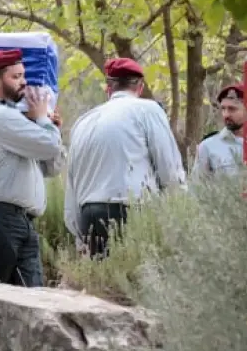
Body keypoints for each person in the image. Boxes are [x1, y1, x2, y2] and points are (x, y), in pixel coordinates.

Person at [63, 57, 187, 260]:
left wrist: (79, 234)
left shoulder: (83, 121)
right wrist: (180, 211)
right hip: (131, 212)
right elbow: (169, 168)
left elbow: (72, 183)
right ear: (140, 86)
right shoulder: (148, 110)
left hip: (89, 214)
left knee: (100, 285)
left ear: (108, 88)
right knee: (137, 284)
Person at [0, 49, 63, 287]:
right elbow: (51, 147)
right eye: (16, 77)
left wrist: (49, 127)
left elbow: (52, 167)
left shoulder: (15, 118)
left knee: (32, 299)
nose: (24, 83)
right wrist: (42, 122)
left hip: (19, 222)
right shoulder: (0, 117)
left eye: (24, 76)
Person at [192, 84, 246, 179]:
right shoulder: (208, 146)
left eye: (232, 109)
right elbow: (197, 188)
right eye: (223, 109)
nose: (226, 115)